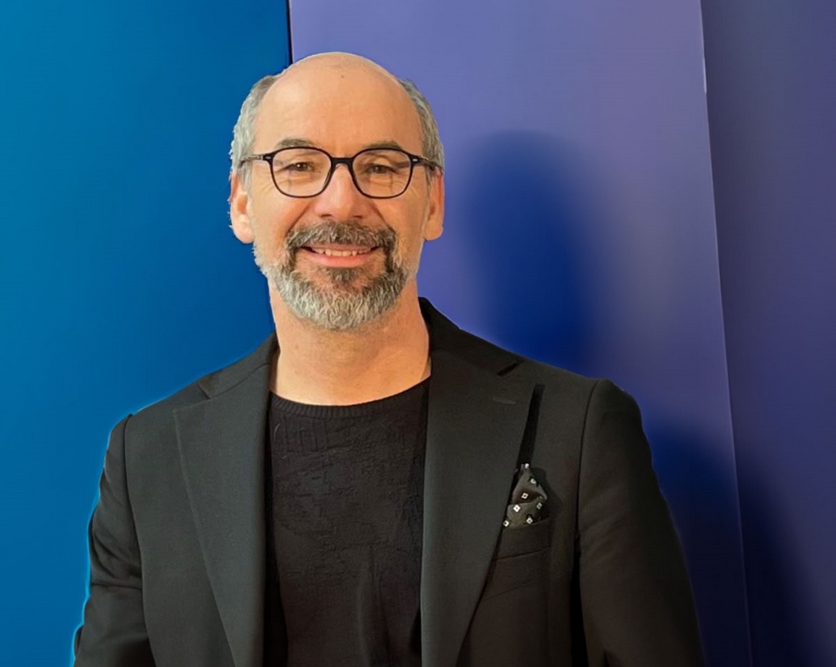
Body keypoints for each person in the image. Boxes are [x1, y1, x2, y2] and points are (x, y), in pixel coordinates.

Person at [72, 52, 704, 667]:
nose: (341, 203)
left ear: (432, 202)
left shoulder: (580, 433)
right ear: (241, 203)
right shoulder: (148, 460)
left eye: (379, 167)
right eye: (298, 166)